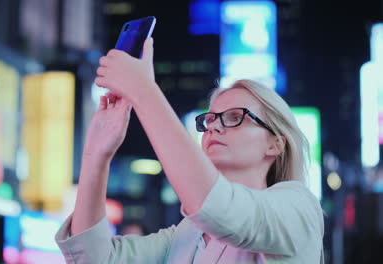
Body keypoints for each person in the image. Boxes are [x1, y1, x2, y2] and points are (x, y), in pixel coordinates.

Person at [55, 38, 324, 263]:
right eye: (209, 120)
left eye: (234, 117)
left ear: (275, 143)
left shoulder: (298, 207)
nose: (214, 128)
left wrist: (144, 90)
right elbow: (93, 257)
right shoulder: (189, 234)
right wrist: (95, 155)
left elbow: (219, 208)